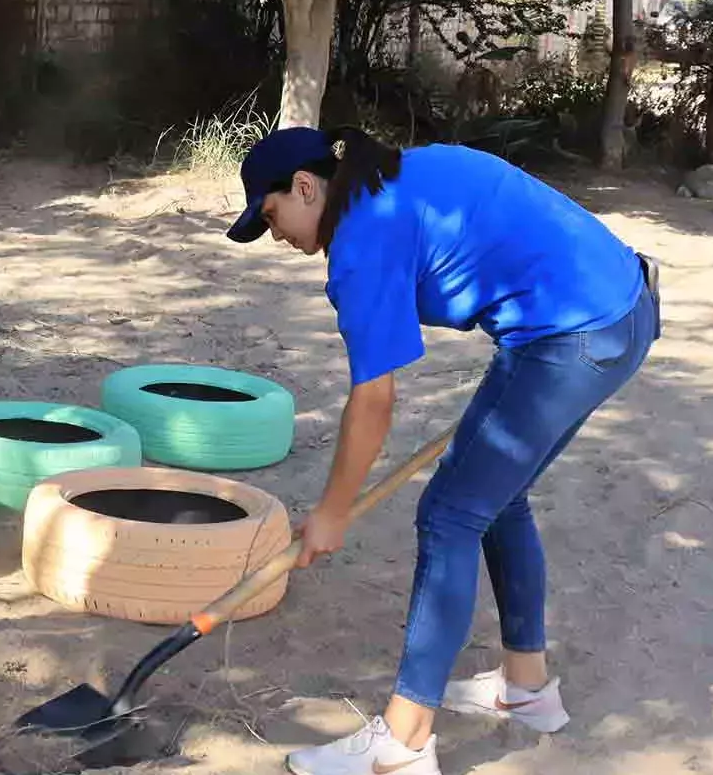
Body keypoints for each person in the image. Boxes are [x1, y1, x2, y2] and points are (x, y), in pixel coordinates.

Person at [224, 126, 661, 775]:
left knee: (448, 515)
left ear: (307, 187)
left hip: (569, 336)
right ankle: (528, 689)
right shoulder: (396, 175)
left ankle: (401, 747)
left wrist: (333, 512)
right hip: (623, 306)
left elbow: (374, 401)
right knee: (496, 498)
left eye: (272, 214)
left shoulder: (360, 245)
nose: (279, 236)